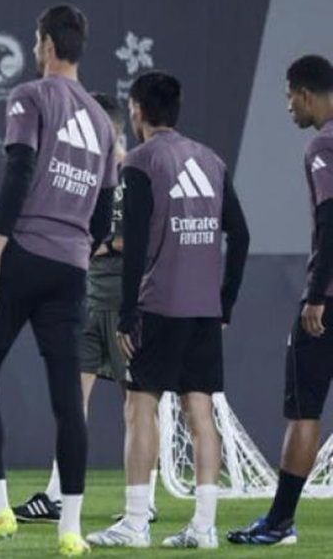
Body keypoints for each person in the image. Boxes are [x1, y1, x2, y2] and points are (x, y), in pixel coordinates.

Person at [0, 5, 117, 557]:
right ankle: (70, 530)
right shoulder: (101, 120)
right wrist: (75, 246)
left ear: (46, 44)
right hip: (71, 269)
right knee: (68, 400)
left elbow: (19, 170)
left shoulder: (30, 95)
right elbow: (104, 213)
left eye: (35, 39)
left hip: (21, 253)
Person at [87, 71, 249, 549]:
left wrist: (127, 312)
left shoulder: (140, 161)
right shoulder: (212, 160)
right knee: (200, 413)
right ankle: (204, 526)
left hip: (159, 306)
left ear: (136, 110)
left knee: (140, 408)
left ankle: (136, 522)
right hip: (202, 309)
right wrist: (227, 298)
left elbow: (134, 243)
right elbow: (240, 235)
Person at [13, 93, 159, 524]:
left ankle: (143, 500)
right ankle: (57, 493)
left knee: (138, 405)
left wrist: (106, 244)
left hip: (126, 302)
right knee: (71, 399)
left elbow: (152, 236)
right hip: (86, 299)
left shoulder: (136, 170)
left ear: (108, 128)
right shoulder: (83, 172)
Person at [228, 54, 333, 546]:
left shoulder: (323, 146)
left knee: (304, 412)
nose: (288, 106)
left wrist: (315, 296)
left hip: (327, 303)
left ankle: (279, 522)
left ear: (306, 93)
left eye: (289, 96)